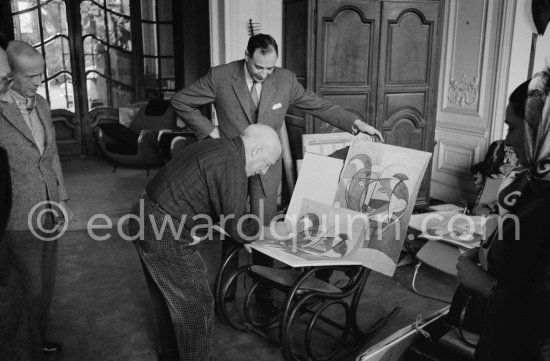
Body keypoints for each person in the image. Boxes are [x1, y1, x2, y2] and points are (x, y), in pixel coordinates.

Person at [171, 33, 383, 310]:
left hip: (266, 169)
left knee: (264, 232)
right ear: (246, 56)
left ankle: (264, 293)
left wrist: (356, 123)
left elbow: (319, 105)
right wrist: (212, 133)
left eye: (269, 68)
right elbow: (181, 100)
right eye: (258, 67)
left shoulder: (284, 80)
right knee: (231, 227)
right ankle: (227, 288)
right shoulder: (221, 76)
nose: (264, 73)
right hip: (233, 166)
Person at [129, 124, 282, 361]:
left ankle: (170, 355)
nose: (263, 171)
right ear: (256, 150)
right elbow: (236, 225)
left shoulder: (218, 147)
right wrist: (265, 230)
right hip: (165, 230)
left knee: (164, 295)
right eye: (267, 163)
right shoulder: (233, 165)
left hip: (143, 214)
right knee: (197, 306)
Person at [456, 72, 550, 360]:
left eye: (512, 128)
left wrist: (485, 284)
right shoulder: (532, 178)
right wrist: (488, 254)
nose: (507, 141)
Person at [0, 40, 72, 358]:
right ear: (9, 75)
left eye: (41, 75)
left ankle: (36, 340)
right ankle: (19, 350)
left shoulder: (42, 104)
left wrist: (61, 197)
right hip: (17, 214)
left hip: (48, 210)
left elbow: (51, 153)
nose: (37, 83)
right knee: (26, 289)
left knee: (45, 287)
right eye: (30, 77)